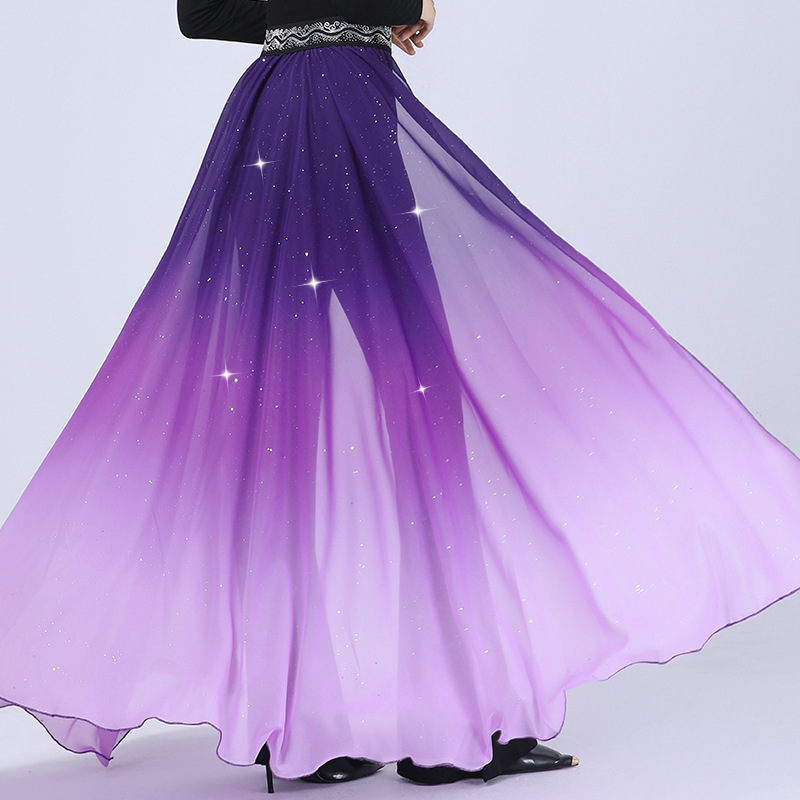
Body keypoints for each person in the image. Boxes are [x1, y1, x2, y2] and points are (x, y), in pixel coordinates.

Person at [2, 0, 800, 792]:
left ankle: (301, 732)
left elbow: (202, 11)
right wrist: (393, 6)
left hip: (273, 116)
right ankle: (445, 730)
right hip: (342, 107)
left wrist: (323, 20)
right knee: (416, 399)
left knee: (284, 412)